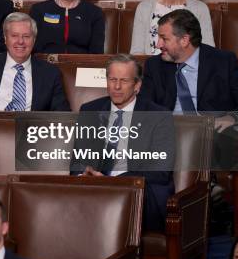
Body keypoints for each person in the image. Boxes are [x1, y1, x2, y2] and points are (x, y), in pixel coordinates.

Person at [139, 10, 238, 168]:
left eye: (164, 38)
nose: (158, 44)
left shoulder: (223, 61)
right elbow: (144, 107)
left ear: (184, 40)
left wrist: (231, 118)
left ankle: (206, 186)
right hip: (169, 135)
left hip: (212, 137)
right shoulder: (154, 66)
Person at [71, 54, 175, 232]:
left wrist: (113, 182)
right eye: (112, 79)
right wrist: (84, 173)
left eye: (124, 81)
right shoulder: (90, 110)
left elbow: (160, 171)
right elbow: (77, 162)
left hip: (137, 191)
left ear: (137, 85)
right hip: (94, 190)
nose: (116, 87)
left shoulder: (158, 116)